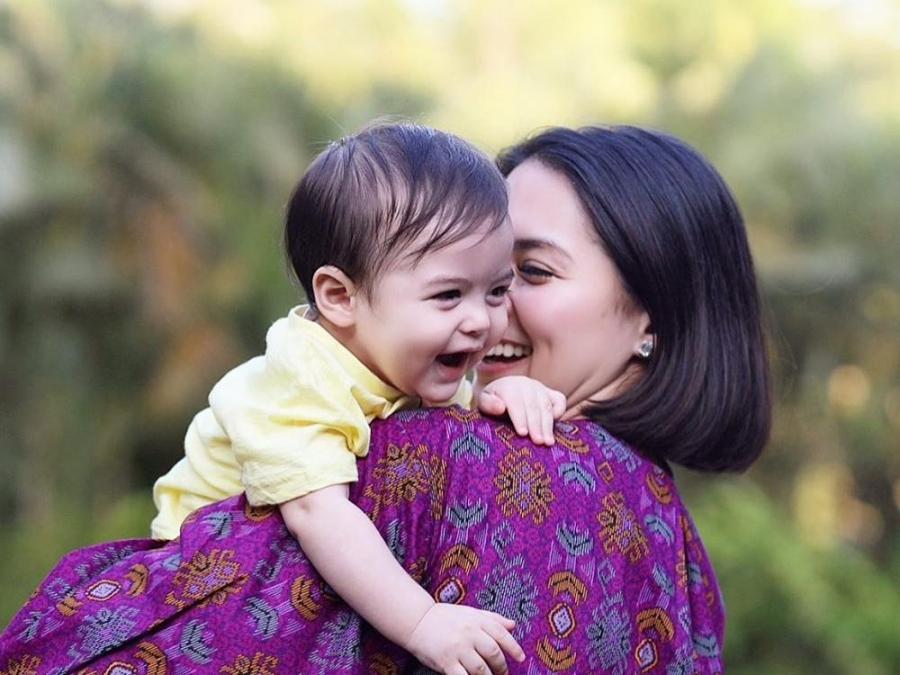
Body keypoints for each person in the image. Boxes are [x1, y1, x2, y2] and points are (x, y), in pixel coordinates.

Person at [0, 125, 770, 673]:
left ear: (655, 315)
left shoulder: (512, 468)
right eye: (459, 281)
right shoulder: (668, 537)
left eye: (520, 276)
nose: (487, 313)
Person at [147, 121, 567, 673]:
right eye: (448, 294)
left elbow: (458, 431)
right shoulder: (303, 376)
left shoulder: (409, 365)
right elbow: (318, 514)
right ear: (340, 297)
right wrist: (423, 621)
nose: (480, 321)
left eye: (496, 291)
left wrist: (507, 392)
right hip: (202, 581)